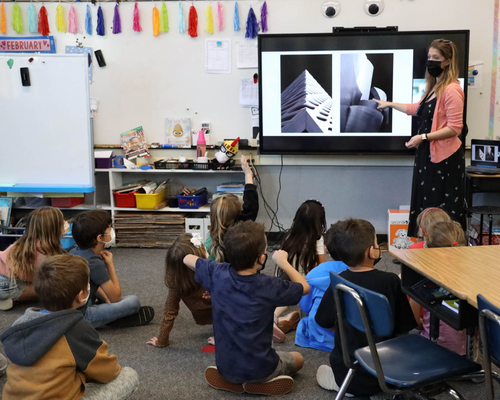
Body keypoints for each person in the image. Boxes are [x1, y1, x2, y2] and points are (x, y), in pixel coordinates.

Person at [184, 221, 310, 396]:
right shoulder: (269, 285)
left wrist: (207, 267)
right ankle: (261, 382)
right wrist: (284, 263)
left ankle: (236, 382)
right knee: (298, 358)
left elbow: (187, 258)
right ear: (261, 259)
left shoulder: (217, 272)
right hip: (261, 368)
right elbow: (304, 287)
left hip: (225, 366)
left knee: (244, 362)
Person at [0, 254, 139, 400]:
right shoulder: (76, 329)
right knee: (129, 375)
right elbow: (108, 371)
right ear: (80, 296)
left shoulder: (21, 322)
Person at [315, 218, 416, 397]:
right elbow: (405, 327)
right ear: (372, 252)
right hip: (390, 371)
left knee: (322, 372)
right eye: (377, 244)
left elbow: (322, 320)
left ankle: (344, 386)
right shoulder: (391, 281)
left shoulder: (338, 282)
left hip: (347, 368)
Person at [375, 39, 466, 235]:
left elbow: (455, 128)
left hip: (444, 160)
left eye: (436, 58)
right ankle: (427, 246)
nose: (430, 61)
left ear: (448, 61)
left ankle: (443, 248)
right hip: (429, 155)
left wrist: (423, 137)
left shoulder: (452, 89)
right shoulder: (435, 86)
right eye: (429, 57)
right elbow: (417, 109)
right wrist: (389, 104)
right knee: (426, 201)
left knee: (440, 206)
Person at [70, 210, 154, 328]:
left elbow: (91, 283)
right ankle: (110, 319)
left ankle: (107, 315)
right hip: (82, 317)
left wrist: (106, 299)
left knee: (104, 293)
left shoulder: (74, 250)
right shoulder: (94, 262)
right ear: (99, 238)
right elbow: (116, 298)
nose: (111, 231)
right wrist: (110, 264)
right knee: (133, 301)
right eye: (109, 228)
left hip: (73, 307)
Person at [274, 199, 327, 342]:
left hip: (286, 277)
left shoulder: (290, 235)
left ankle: (273, 317)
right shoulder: (317, 238)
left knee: (284, 300)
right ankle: (306, 320)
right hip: (305, 282)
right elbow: (322, 267)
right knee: (320, 286)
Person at [147, 233, 213, 348]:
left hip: (209, 315)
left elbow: (169, 313)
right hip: (225, 315)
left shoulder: (176, 282)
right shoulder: (211, 272)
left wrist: (161, 341)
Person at [412, 221, 466, 355]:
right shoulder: (471, 278)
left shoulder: (423, 279)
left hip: (432, 348)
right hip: (464, 352)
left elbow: (414, 320)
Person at [295, 225, 348, 352]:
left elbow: (305, 306)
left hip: (319, 335)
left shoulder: (315, 272)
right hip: (350, 336)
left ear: (326, 250)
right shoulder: (357, 271)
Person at [0, 207, 66, 310]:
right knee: (51, 288)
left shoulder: (25, 241)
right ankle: (9, 298)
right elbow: (34, 278)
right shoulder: (43, 251)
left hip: (5, 275)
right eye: (62, 223)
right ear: (56, 229)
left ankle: (6, 297)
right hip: (6, 284)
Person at [205, 154, 258, 262]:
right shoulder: (241, 235)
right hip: (244, 276)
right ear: (238, 213)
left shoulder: (209, 242)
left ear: (213, 216)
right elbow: (251, 206)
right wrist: (248, 175)